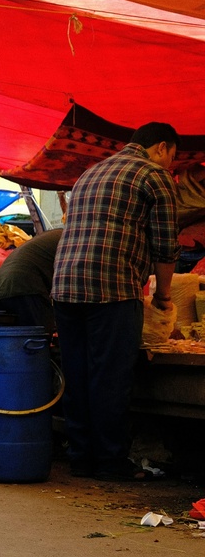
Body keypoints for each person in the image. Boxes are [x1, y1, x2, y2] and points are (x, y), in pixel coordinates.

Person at [53, 122, 181, 481]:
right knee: (110, 377)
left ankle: (80, 458)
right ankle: (110, 463)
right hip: (112, 287)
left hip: (65, 286)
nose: (171, 165)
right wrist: (164, 297)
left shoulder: (90, 173)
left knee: (77, 375)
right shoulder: (154, 175)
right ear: (161, 147)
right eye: (173, 156)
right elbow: (166, 246)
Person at [0, 228, 63, 332]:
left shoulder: (57, 235)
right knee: (38, 338)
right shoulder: (70, 240)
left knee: (20, 339)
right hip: (23, 286)